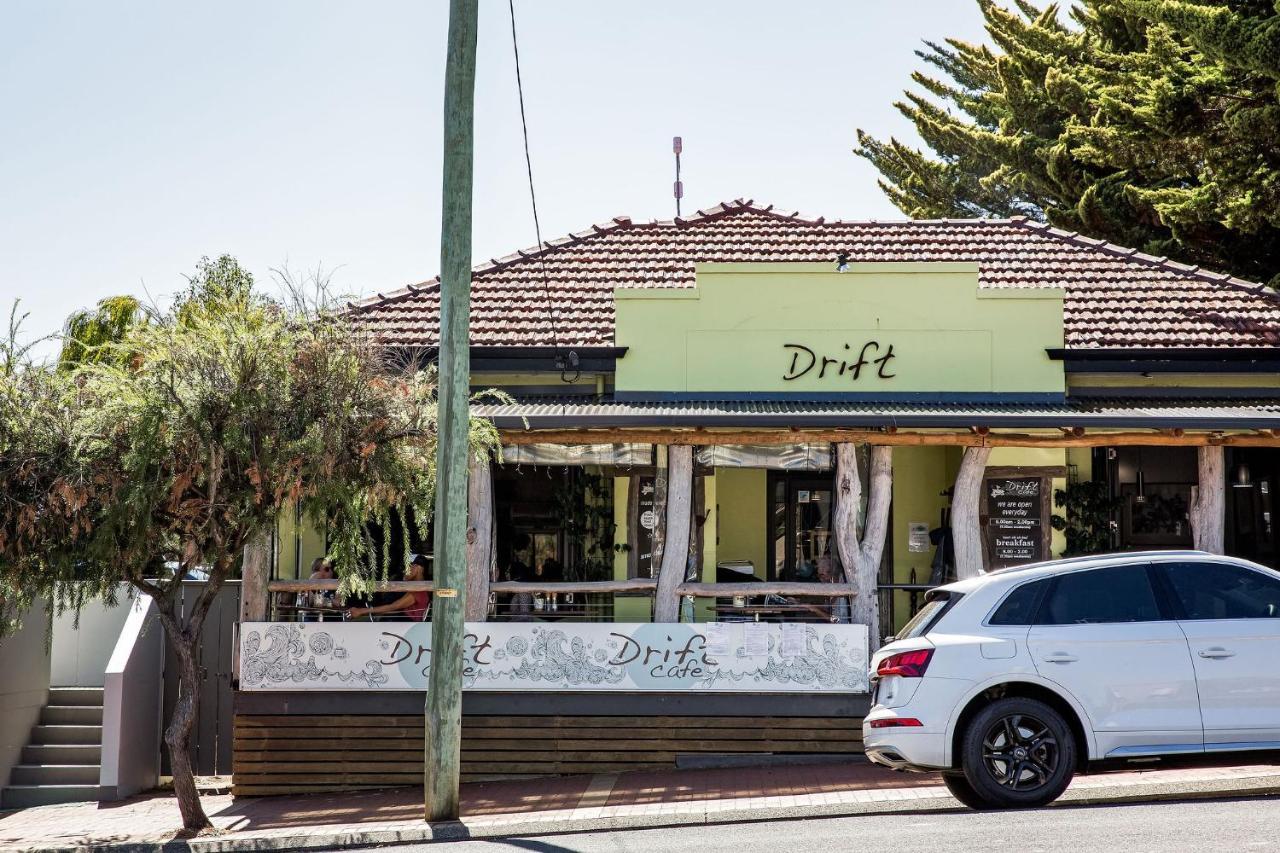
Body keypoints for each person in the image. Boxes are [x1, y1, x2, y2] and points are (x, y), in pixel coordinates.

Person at [346, 553, 431, 621]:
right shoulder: (415, 587)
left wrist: (361, 611)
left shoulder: (419, 590)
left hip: (403, 626)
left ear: (419, 568)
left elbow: (393, 607)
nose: (404, 570)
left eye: (407, 566)